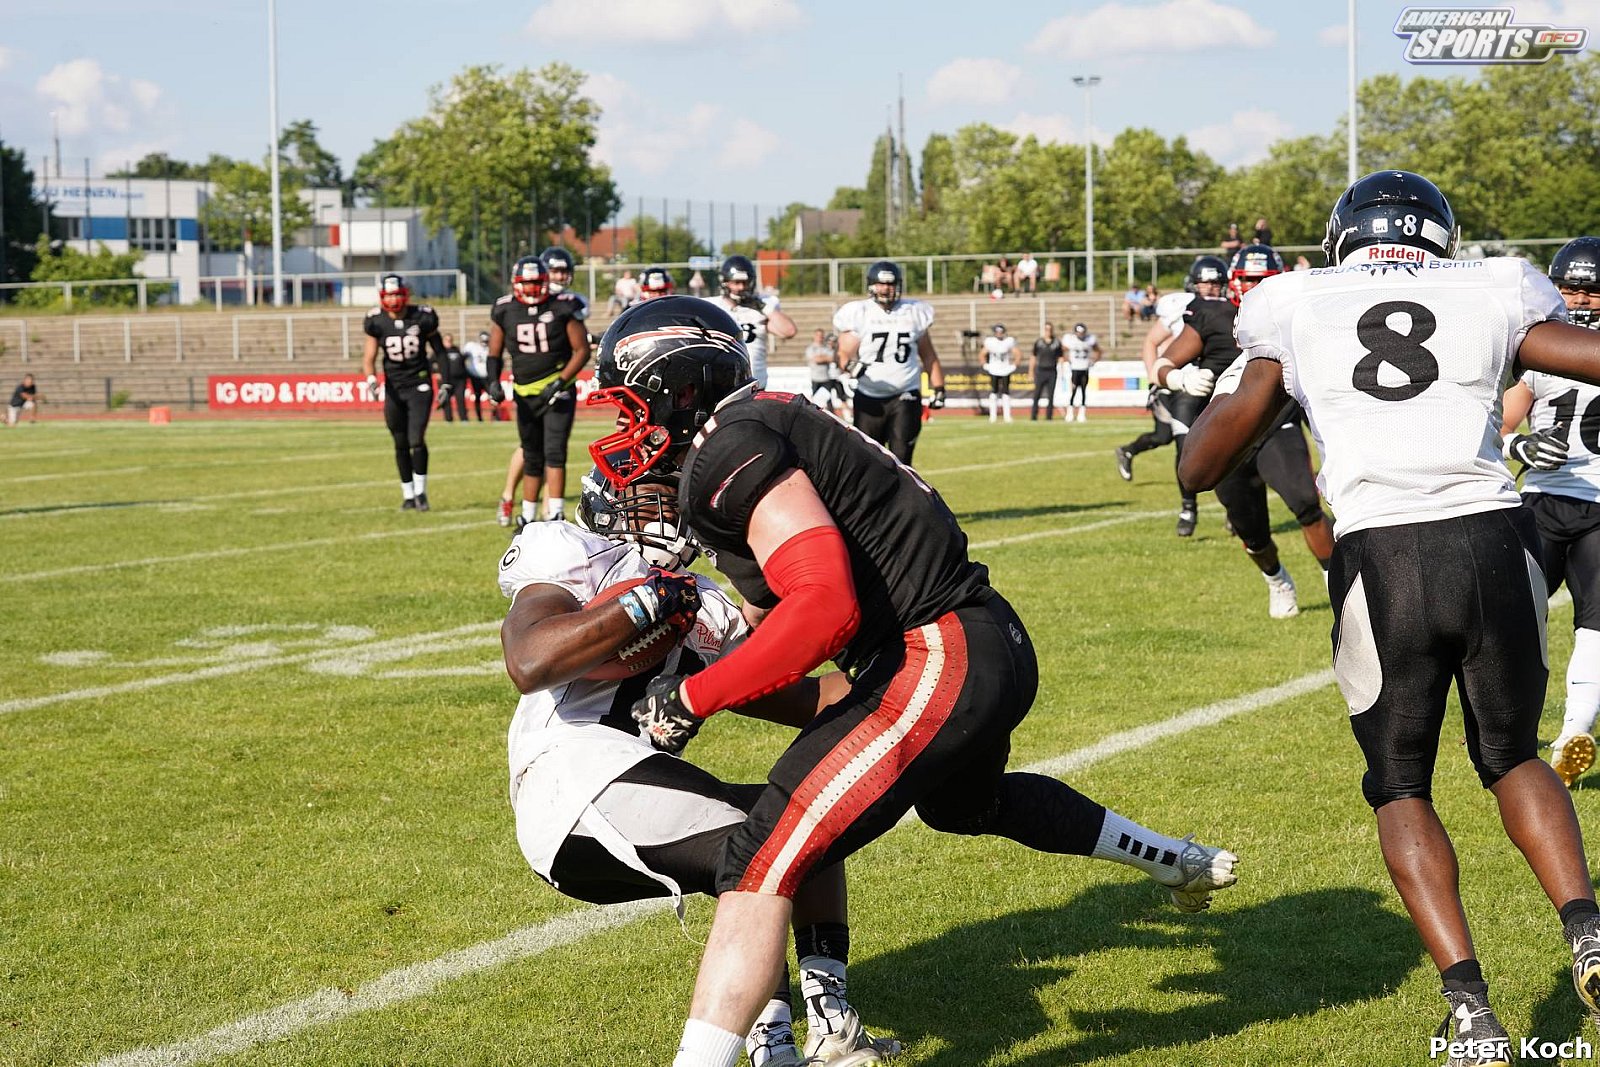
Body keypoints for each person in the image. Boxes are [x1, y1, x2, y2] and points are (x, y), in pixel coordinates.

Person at [581, 297, 1238, 1067]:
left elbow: (824, 605)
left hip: (936, 652)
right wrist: (699, 654)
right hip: (980, 642)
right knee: (965, 806)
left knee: (759, 857)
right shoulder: (758, 427)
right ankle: (1175, 859)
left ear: (679, 386)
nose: (626, 429)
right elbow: (772, 622)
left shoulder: (731, 445)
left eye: (631, 407)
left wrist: (694, 697)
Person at [1179, 170, 1600, 1058]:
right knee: (1512, 754)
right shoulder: (1492, 283)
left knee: (1401, 782)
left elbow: (1199, 466)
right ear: (1439, 237)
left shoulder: (1295, 301)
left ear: (1344, 238)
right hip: (1496, 536)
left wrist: (1267, 385)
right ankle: (1589, 932)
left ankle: (1472, 1008)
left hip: (1384, 551)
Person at [497, 470, 897, 1066]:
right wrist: (647, 602)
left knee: (811, 815)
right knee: (768, 845)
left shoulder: (707, 601)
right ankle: (769, 1043)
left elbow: (802, 697)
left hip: (627, 792)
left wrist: (908, 674)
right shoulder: (574, 552)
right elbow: (530, 661)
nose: (676, 507)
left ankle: (827, 1024)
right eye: (660, 493)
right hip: (573, 777)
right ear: (614, 499)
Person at [1154, 245, 1335, 618]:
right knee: (1249, 528)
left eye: (1261, 278)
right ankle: (1276, 579)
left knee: (1305, 503)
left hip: (1278, 424)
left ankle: (1339, 579)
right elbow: (1163, 362)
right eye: (1248, 278)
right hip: (1229, 436)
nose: (1254, 285)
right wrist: (1178, 378)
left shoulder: (1296, 315)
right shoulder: (1211, 314)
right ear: (1233, 281)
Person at [1499, 235, 1600, 789]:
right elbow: (1500, 428)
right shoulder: (1541, 350)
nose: (1579, 299)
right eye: (1569, 288)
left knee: (1595, 623)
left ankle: (1572, 733)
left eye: (1591, 290)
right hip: (1542, 500)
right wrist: (1521, 446)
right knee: (1514, 617)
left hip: (1590, 504)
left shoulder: (1543, 347)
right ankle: (1504, 723)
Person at [489, 255, 590, 528]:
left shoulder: (563, 305)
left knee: (555, 452)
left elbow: (582, 350)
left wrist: (560, 382)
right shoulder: (505, 309)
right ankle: (528, 515)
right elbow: (494, 353)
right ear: (516, 283)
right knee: (532, 454)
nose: (532, 288)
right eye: (527, 283)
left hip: (557, 391)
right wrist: (492, 381)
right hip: (524, 392)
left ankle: (555, 513)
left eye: (537, 282)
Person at [1114, 256, 1219, 482]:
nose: (1211, 288)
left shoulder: (1224, 307)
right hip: (1178, 381)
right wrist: (1156, 377)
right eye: (1205, 283)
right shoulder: (1181, 307)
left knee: (1184, 434)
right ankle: (1187, 500)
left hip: (1205, 380)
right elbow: (1152, 341)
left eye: (1215, 283)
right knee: (1167, 436)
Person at [833, 260, 946, 465]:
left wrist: (938, 387)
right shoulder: (860, 312)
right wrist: (850, 366)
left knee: (902, 459)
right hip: (869, 395)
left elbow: (928, 355)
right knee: (869, 461)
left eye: (890, 284)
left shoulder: (914, 311)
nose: (886, 288)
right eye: (881, 284)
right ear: (871, 285)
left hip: (906, 393)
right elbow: (842, 353)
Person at [361, 274, 448, 511]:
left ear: (405, 295)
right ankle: (408, 495)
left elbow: (440, 352)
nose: (393, 300)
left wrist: (446, 383)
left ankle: (421, 493)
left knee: (416, 439)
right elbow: (369, 357)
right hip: (394, 387)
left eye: (397, 295)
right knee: (400, 442)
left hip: (419, 384)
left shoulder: (422, 317)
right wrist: (371, 379)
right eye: (389, 295)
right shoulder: (376, 321)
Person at [705, 255, 797, 389]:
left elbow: (788, 331)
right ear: (724, 282)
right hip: (723, 385)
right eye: (736, 282)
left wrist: (762, 306)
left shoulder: (761, 306)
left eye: (745, 282)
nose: (741, 287)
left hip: (755, 385)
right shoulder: (711, 306)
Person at [1063, 323, 1101, 423]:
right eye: (1078, 332)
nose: (1080, 334)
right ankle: (1070, 412)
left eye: (1082, 332)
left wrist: (1093, 361)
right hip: (1075, 369)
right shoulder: (1070, 339)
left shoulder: (1089, 339)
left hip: (1084, 368)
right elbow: (1062, 351)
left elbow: (1098, 351)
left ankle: (1082, 413)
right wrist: (1067, 360)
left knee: (1084, 391)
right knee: (1074, 391)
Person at [980, 323, 1018, 423]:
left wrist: (1014, 365)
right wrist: (985, 365)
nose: (999, 334)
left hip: (1005, 369)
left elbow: (1018, 354)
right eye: (997, 332)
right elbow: (982, 354)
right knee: (993, 393)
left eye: (1001, 332)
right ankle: (993, 416)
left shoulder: (1008, 341)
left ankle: (1007, 416)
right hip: (994, 369)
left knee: (1006, 393)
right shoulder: (990, 342)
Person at [804, 328, 844, 415]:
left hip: (826, 379)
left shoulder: (827, 348)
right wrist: (824, 358)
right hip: (815, 378)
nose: (820, 337)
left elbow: (832, 358)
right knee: (815, 402)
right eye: (818, 335)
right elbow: (816, 360)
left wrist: (821, 358)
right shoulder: (811, 348)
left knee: (828, 401)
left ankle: (831, 418)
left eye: (821, 336)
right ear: (814, 336)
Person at [1029, 323, 1062, 421]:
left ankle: (1049, 416)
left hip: (1052, 371)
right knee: (1037, 394)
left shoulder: (1056, 343)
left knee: (1051, 395)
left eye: (1050, 329)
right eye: (1046, 329)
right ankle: (1034, 415)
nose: (1048, 331)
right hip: (1041, 371)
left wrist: (1062, 369)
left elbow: (1060, 357)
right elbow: (1033, 357)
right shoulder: (1039, 342)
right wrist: (1031, 371)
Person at [436, 333, 469, 423]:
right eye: (447, 340)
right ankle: (448, 419)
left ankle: (464, 419)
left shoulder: (456, 350)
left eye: (450, 340)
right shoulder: (440, 352)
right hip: (446, 379)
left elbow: (462, 362)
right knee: (446, 399)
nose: (449, 342)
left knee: (460, 399)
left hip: (459, 380)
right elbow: (430, 362)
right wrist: (436, 372)